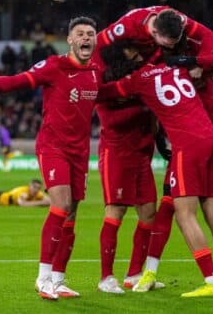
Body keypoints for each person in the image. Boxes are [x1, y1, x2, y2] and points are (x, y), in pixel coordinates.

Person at [0, 16, 99, 300]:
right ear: (70, 40)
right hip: (53, 147)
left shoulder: (97, 72)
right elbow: (18, 82)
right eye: (80, 33)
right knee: (61, 204)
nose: (86, 37)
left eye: (91, 33)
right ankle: (42, 278)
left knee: (72, 214)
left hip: (80, 151)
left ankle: (59, 279)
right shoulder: (54, 66)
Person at [98, 43, 213, 298]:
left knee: (183, 214)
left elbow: (103, 92)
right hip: (211, 139)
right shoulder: (176, 69)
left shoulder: (137, 80)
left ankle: (212, 280)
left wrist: (79, 91)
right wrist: (197, 62)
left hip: (185, 146)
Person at [129, 10, 213, 292]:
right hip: (188, 141)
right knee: (169, 203)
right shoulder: (165, 62)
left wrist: (198, 61)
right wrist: (159, 137)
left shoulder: (201, 53)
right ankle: (150, 271)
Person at [93, 43, 161, 294]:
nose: (136, 55)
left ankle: (134, 274)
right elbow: (112, 122)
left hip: (142, 154)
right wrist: (140, 99)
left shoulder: (139, 82)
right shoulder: (105, 87)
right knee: (116, 211)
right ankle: (106, 278)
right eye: (131, 50)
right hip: (116, 154)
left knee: (149, 213)